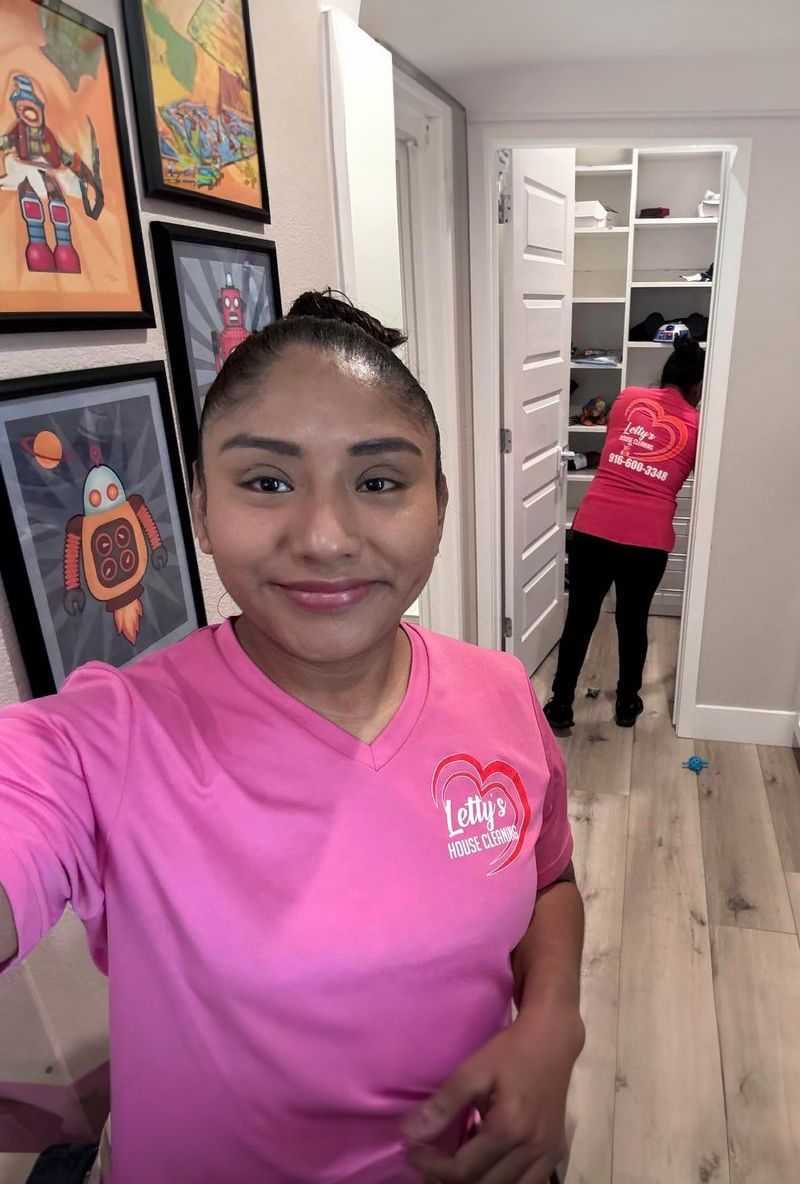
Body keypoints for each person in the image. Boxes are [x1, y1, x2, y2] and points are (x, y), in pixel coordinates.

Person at [0, 292, 584, 1184]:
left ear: (440, 501)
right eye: (267, 482)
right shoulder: (109, 738)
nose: (323, 537)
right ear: (199, 508)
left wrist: (551, 1024)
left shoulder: (500, 692)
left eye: (379, 482)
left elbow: (549, 881)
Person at [545, 337, 703, 731]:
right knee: (632, 621)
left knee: (580, 618)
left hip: (593, 526)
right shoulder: (699, 426)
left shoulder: (627, 399)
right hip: (647, 539)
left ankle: (561, 704)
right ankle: (627, 703)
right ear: (699, 387)